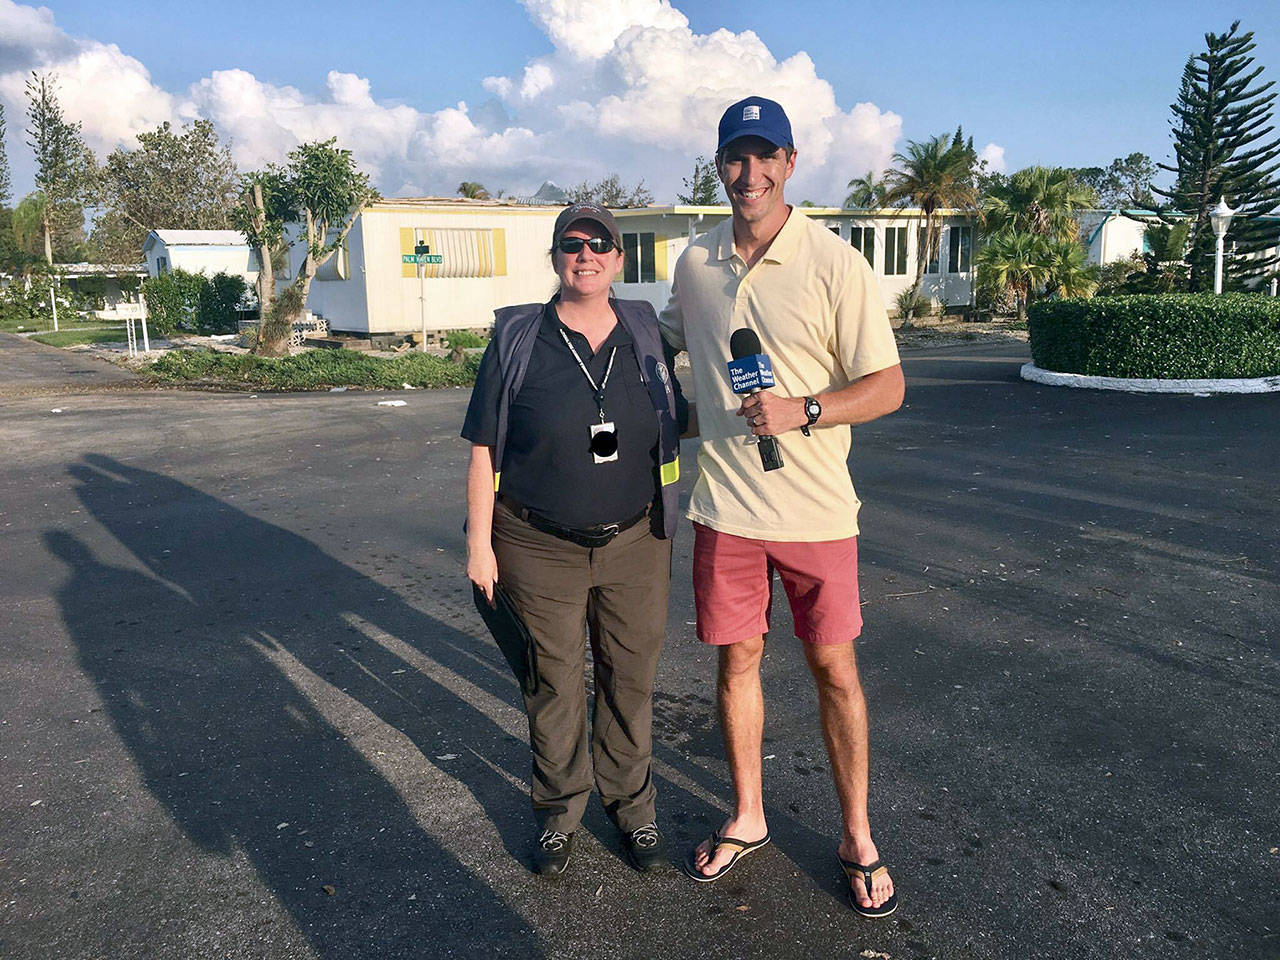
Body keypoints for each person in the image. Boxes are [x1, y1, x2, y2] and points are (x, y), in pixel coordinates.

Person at [658, 96, 906, 918]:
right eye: (736, 156)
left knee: (835, 669)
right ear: (719, 164)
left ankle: (857, 834)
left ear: (790, 163)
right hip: (725, 507)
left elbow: (888, 386)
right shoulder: (696, 262)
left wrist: (806, 409)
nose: (750, 173)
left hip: (817, 513)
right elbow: (658, 343)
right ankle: (749, 815)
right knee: (736, 663)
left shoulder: (835, 263)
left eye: (766, 156)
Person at [461, 202, 685, 876]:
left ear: (619, 258)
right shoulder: (519, 338)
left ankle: (633, 808)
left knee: (630, 678)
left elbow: (678, 414)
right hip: (536, 545)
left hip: (636, 541)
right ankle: (559, 811)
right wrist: (479, 545)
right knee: (553, 684)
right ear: (556, 256)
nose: (585, 255)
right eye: (571, 244)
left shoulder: (645, 332)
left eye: (599, 244)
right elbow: (482, 449)